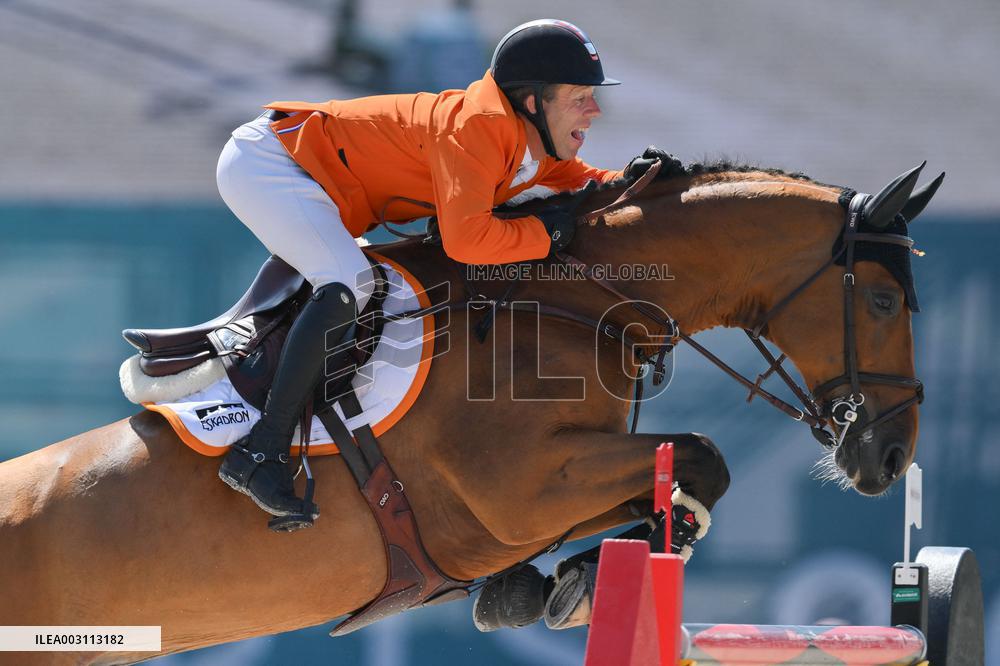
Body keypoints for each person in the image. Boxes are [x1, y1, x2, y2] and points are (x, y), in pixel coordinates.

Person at [215, 18, 671, 529]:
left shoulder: (525, 142)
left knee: (361, 283)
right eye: (580, 96)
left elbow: (578, 183)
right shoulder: (476, 128)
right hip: (271, 164)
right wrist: (551, 235)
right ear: (532, 102)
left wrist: (637, 181)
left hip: (309, 180)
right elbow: (468, 241)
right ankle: (262, 451)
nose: (595, 109)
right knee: (349, 283)